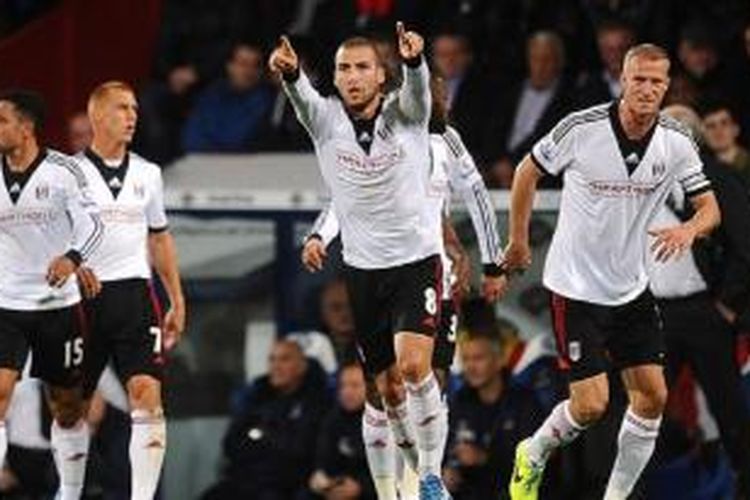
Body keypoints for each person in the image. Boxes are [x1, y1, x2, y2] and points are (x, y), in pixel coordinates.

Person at [271, 23, 495, 498]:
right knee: (384, 393)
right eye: (344, 69)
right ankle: (395, 488)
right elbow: (304, 103)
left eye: (362, 68)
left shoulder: (410, 117)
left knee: (419, 370)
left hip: (419, 263)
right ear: (334, 78)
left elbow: (469, 184)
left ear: (381, 77)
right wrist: (291, 76)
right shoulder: (326, 121)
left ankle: (431, 475)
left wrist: (415, 63)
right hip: (363, 271)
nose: (352, 77)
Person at [504, 43, 721, 500]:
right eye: (638, 79)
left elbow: (710, 208)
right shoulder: (581, 128)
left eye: (656, 81)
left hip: (630, 289)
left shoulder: (676, 142)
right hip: (575, 287)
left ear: (666, 87)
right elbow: (527, 172)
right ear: (623, 80)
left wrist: (690, 230)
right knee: (592, 405)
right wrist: (519, 240)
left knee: (653, 398)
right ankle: (535, 450)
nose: (646, 88)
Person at [75, 80, 185, 500]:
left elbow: (159, 238)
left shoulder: (148, 173)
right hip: (83, 300)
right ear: (97, 116)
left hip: (137, 298)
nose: (132, 116)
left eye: (135, 108)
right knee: (72, 407)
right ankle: (69, 491)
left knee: (146, 396)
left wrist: (176, 296)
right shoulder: (68, 174)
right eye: (122, 108)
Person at [0, 89, 104, 500]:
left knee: (66, 408)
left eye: (2, 121)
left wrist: (73, 258)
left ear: (26, 127)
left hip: (57, 307)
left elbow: (94, 225)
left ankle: (70, 493)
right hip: (5, 304)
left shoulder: (64, 171)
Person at [649, 104, 750, 497]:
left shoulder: (721, 180)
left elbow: (746, 247)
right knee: (643, 413)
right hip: (656, 314)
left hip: (706, 312)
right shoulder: (642, 182)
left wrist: (726, 303)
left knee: (729, 413)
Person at [203, 339, 333, 500]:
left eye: (285, 359)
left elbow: (300, 451)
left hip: (287, 487)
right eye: (272, 359)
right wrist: (267, 434)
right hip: (244, 481)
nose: (276, 366)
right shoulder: (256, 396)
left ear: (302, 367)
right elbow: (230, 444)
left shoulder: (317, 402)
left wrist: (260, 433)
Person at [445, 329, 545, 499]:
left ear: (499, 360)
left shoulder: (524, 402)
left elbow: (538, 462)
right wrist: (445, 472)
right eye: (465, 359)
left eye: (478, 358)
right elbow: (445, 448)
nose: (470, 366)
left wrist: (485, 459)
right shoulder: (460, 401)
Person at [182, 43, 274, 152]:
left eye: (256, 65)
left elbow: (237, 141)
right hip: (202, 161)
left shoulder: (266, 100)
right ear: (229, 66)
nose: (249, 71)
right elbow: (191, 140)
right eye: (243, 64)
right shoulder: (211, 95)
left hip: (242, 164)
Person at [309, 363, 376, 500]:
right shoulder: (332, 420)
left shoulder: (382, 421)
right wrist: (320, 478)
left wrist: (361, 488)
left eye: (355, 385)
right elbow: (323, 460)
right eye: (343, 386)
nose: (347, 391)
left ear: (371, 388)